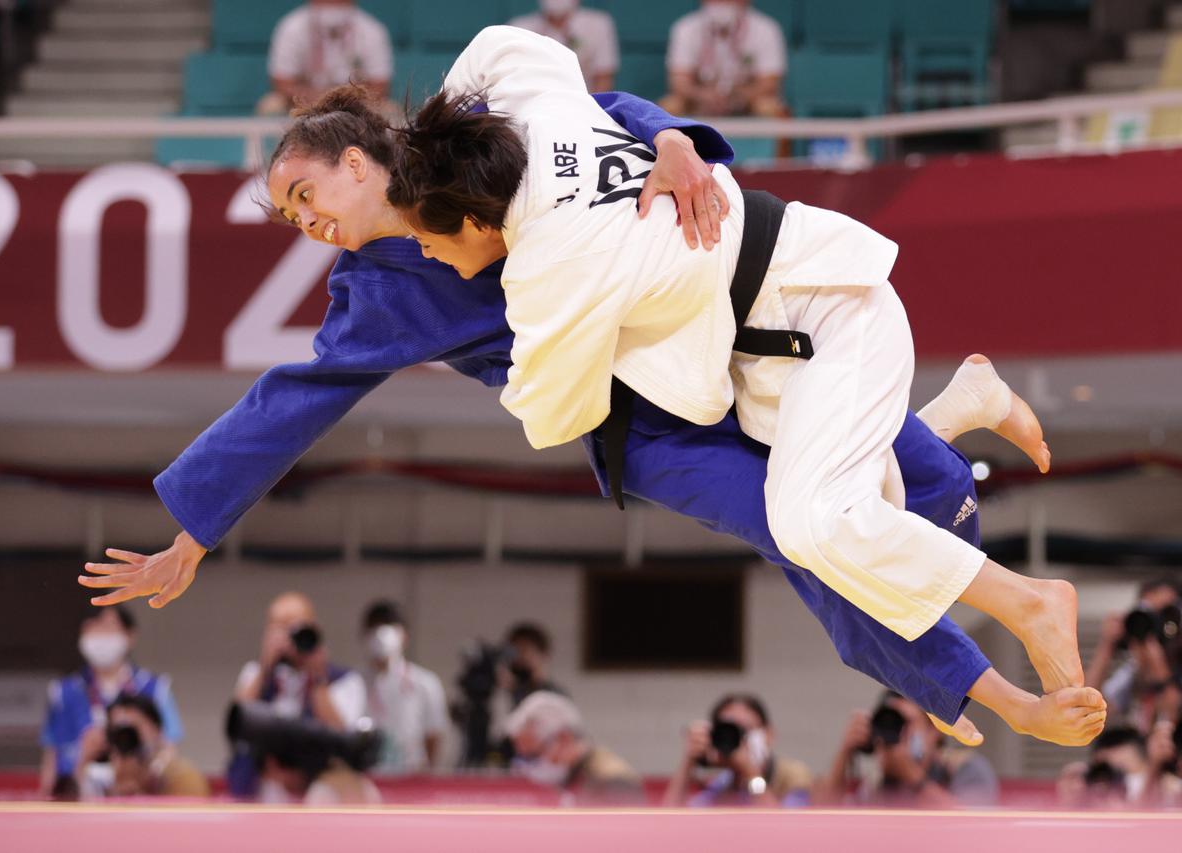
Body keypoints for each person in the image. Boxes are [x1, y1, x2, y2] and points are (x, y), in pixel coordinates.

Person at [78, 85, 1102, 748]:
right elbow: (291, 401)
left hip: (701, 325)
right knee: (802, 537)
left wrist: (669, 140)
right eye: (287, 218)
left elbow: (589, 101)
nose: (304, 223)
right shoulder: (373, 296)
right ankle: (992, 693)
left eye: (303, 192)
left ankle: (955, 417)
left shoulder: (465, 126)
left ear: (355, 160)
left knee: (893, 493)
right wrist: (193, 531)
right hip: (637, 422)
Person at [387, 26, 1099, 724]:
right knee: (837, 517)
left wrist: (557, 332)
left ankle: (1027, 600)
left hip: (818, 313)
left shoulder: (548, 261)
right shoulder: (543, 119)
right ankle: (963, 409)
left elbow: (549, 417)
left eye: (425, 237)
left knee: (817, 528)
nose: (425, 254)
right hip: (769, 342)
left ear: (476, 220)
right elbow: (510, 44)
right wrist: (447, 136)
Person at [228, 591, 368, 799]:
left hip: (319, 791)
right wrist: (265, 668)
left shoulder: (344, 681)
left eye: (296, 628)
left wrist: (317, 678)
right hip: (261, 791)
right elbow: (236, 727)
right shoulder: (254, 674)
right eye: (280, 628)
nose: (289, 638)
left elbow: (342, 738)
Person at [39, 606, 183, 798]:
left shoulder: (155, 689)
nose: (99, 636)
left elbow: (169, 748)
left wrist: (150, 770)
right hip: (78, 794)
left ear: (129, 635)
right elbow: (52, 757)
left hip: (139, 793)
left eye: (107, 628)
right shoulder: (63, 692)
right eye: (92, 628)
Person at [819, 692, 999, 807]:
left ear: (935, 730)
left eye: (906, 722)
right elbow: (825, 820)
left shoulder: (966, 769)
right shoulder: (877, 783)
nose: (897, 731)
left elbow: (972, 826)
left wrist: (913, 777)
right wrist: (845, 753)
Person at [663, 694, 814, 808]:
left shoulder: (793, 775)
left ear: (768, 734)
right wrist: (688, 762)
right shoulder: (724, 781)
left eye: (744, 730)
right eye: (727, 732)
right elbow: (670, 820)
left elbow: (787, 829)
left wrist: (751, 774)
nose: (737, 740)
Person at [505, 691, 643, 805]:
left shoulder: (612, 782)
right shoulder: (573, 777)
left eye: (534, 756)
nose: (529, 767)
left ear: (564, 738)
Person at [360, 599, 450, 773]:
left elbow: (433, 736)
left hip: (409, 777)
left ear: (404, 635)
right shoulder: (354, 683)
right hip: (366, 778)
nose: (380, 639)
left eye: (388, 630)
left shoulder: (426, 683)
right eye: (374, 630)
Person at [259, 0, 393, 116]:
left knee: (390, 110)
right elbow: (282, 83)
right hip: (304, 103)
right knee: (271, 106)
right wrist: (322, 101)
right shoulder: (291, 27)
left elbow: (380, 85)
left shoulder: (372, 30)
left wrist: (344, 102)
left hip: (357, 105)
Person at [662, 1, 788, 118]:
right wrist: (703, 95)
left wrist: (738, 97)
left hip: (746, 101)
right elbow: (679, 82)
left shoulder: (765, 28)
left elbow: (769, 83)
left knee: (769, 107)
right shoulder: (686, 27)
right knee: (670, 105)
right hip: (699, 101)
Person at [1086, 578, 1182, 728]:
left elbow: (1172, 715)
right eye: (1147, 614)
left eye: (1162, 614)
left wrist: (1158, 667)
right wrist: (1107, 646)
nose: (1153, 624)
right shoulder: (1133, 671)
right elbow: (1088, 709)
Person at [74, 694, 209, 799]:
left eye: (133, 729)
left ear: (157, 729)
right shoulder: (104, 778)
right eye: (117, 731)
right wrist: (83, 764)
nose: (125, 737)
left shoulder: (181, 774)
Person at [508, 0, 619, 93]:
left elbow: (604, 77)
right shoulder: (519, 27)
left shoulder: (597, 24)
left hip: (583, 104)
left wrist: (592, 111)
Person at [504, 622, 566, 708]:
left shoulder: (554, 696)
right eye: (514, 652)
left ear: (544, 654)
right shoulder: (514, 691)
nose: (518, 658)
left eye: (524, 650)